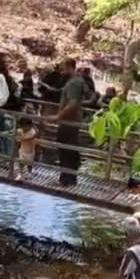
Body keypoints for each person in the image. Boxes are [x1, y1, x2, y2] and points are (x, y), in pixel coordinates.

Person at [52, 58, 85, 186]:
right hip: (71, 121)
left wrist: (58, 116)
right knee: (68, 149)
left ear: (70, 67)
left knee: (66, 150)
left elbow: (73, 103)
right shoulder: (77, 81)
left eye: (63, 69)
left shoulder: (74, 83)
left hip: (68, 122)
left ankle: (66, 180)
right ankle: (68, 178)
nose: (61, 72)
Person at [14, 117, 38, 182]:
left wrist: (21, 139)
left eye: (26, 126)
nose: (24, 128)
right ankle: (20, 173)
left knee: (29, 163)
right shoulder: (20, 131)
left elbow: (30, 137)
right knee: (21, 162)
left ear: (30, 126)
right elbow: (16, 132)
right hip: (22, 149)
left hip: (30, 151)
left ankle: (29, 172)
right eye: (23, 126)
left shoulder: (32, 132)